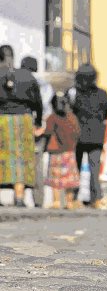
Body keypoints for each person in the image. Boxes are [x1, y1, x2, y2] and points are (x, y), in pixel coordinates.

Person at [0, 45, 42, 207]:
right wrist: (37, 122)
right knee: (21, 159)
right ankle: (19, 196)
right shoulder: (27, 76)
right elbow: (38, 102)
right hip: (23, 120)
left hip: (2, 119)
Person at [68, 63, 107, 209]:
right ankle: (96, 199)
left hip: (77, 136)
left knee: (75, 169)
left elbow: (69, 112)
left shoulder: (73, 93)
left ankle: (72, 198)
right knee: (95, 169)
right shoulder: (102, 94)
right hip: (97, 136)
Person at [39, 93, 81, 209]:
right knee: (69, 179)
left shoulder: (52, 118)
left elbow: (48, 132)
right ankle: (69, 202)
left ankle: (56, 202)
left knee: (55, 179)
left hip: (56, 152)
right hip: (69, 152)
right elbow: (77, 133)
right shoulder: (72, 118)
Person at [21, 57, 53, 208]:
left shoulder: (19, 81)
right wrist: (41, 125)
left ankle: (18, 197)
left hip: (22, 126)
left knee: (19, 161)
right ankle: (39, 200)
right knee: (37, 163)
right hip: (40, 127)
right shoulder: (46, 85)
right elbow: (47, 108)